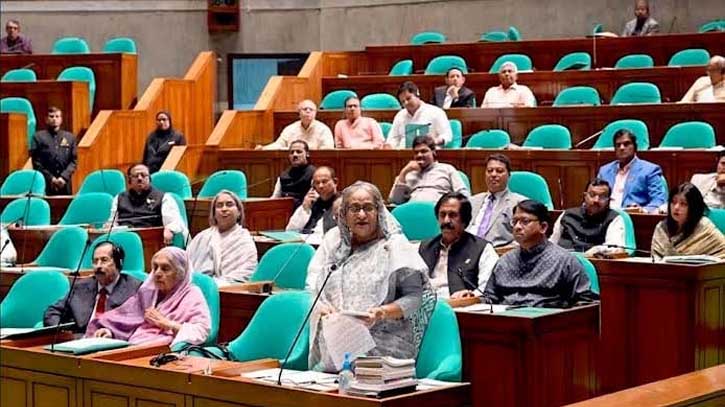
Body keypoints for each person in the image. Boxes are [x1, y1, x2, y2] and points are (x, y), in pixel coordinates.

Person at [306, 181, 435, 372]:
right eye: (354, 208)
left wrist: (381, 313)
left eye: (368, 208)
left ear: (379, 211)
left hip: (383, 345)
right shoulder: (334, 244)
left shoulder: (395, 245)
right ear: (344, 214)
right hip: (337, 344)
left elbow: (415, 298)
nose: (361, 215)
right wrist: (321, 308)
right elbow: (313, 287)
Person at [482, 200, 599, 307]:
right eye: (515, 221)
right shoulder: (505, 261)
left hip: (548, 325)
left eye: (525, 221)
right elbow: (490, 298)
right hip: (507, 323)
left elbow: (586, 302)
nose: (517, 227)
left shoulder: (564, 261)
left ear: (543, 227)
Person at [87, 246, 211, 346]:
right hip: (133, 347)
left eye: (165, 268)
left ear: (180, 273)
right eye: (155, 267)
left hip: (164, 353)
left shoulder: (191, 294)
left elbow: (202, 331)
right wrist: (110, 332)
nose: (157, 273)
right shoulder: (148, 292)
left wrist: (167, 324)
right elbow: (126, 320)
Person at [43, 242, 142, 333]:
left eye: (104, 260)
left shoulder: (134, 288)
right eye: (95, 261)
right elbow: (53, 312)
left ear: (118, 263)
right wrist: (62, 332)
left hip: (114, 342)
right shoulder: (81, 287)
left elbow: (140, 321)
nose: (98, 266)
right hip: (80, 341)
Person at [419, 193, 498, 299]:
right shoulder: (424, 247)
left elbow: (487, 289)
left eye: (452, 215)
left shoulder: (482, 249)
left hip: (461, 308)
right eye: (442, 215)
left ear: (464, 220)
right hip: (425, 306)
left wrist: (471, 295)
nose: (446, 221)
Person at [187, 190, 257, 286]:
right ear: (214, 214)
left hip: (227, 291)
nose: (224, 209)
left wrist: (212, 285)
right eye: (219, 206)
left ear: (239, 212)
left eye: (229, 205)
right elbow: (186, 267)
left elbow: (245, 273)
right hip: (195, 288)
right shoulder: (202, 237)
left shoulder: (244, 240)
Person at [107, 164, 188, 246]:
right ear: (129, 180)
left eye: (143, 175)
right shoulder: (119, 198)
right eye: (135, 176)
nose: (139, 178)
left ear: (149, 178)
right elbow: (112, 224)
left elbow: (174, 222)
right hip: (124, 242)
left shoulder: (164, 198)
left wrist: (170, 229)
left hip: (153, 242)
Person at [550, 178, 626, 256]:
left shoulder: (614, 218)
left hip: (593, 264)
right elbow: (552, 243)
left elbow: (617, 249)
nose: (596, 200)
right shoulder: (567, 214)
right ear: (585, 196)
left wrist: (598, 249)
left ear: (609, 200)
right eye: (592, 195)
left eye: (602, 197)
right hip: (561, 260)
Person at [597, 129, 666, 213]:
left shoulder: (650, 170)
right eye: (618, 145)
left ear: (635, 147)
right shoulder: (604, 170)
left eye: (626, 144)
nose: (621, 148)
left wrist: (643, 210)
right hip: (604, 217)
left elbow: (658, 201)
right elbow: (596, 195)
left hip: (632, 218)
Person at [651, 183, 725, 260]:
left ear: (693, 207)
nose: (676, 207)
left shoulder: (704, 226)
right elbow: (655, 260)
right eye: (673, 202)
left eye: (683, 204)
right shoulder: (661, 228)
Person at [466, 154, 526, 247]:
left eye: (499, 171)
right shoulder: (472, 201)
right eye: (490, 171)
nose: (493, 174)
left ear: (509, 175)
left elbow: (523, 238)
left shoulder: (519, 203)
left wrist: (504, 253)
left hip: (497, 254)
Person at [389, 135, 469, 204]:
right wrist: (404, 172)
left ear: (433, 152)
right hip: (412, 212)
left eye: (424, 151)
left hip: (438, 212)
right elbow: (395, 200)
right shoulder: (408, 173)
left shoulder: (447, 169)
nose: (419, 155)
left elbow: (464, 195)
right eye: (416, 152)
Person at [385, 81, 452, 149]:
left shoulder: (436, 112)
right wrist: (389, 145)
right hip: (403, 154)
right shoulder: (400, 115)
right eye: (403, 102)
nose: (406, 103)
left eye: (408, 98)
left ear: (417, 94)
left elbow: (447, 135)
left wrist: (435, 141)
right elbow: (393, 138)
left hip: (427, 152)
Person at [30, 107, 77, 195]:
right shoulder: (38, 137)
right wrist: (51, 178)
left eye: (57, 116)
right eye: (51, 116)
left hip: (65, 182)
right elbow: (36, 162)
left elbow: (74, 161)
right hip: (46, 182)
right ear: (46, 119)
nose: (54, 119)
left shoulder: (70, 137)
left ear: (61, 119)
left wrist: (63, 177)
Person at [257, 100, 333, 150]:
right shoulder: (290, 129)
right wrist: (264, 148)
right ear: (299, 113)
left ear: (315, 113)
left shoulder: (323, 129)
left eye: (311, 109)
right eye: (305, 109)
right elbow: (279, 144)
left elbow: (328, 149)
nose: (308, 111)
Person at [286, 166, 339, 235]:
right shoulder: (311, 203)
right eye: (317, 183)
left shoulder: (342, 204)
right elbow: (290, 231)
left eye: (324, 182)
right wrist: (305, 209)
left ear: (335, 182)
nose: (320, 186)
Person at [270, 140, 316, 209]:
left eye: (299, 152)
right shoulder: (283, 175)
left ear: (307, 154)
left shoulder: (314, 174)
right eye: (292, 152)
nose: (295, 155)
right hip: (284, 212)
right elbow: (275, 198)